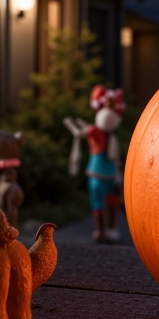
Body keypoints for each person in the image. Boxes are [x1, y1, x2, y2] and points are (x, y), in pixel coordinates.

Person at [64, 86, 125, 243]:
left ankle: (109, 229)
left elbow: (81, 132)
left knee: (111, 201)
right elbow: (81, 133)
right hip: (98, 172)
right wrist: (72, 125)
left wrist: (73, 125)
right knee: (99, 202)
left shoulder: (108, 135)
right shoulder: (95, 131)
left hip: (109, 173)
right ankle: (101, 230)